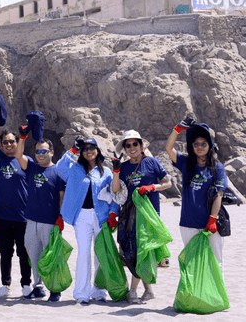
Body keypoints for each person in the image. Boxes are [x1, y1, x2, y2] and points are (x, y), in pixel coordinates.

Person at [56, 137, 120, 305]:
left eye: (92, 147)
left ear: (98, 151)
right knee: (83, 253)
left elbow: (114, 193)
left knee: (100, 253)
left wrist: (113, 213)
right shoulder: (75, 169)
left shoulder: (106, 172)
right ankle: (82, 294)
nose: (89, 150)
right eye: (85, 148)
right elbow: (59, 168)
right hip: (81, 217)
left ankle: (99, 291)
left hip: (101, 216)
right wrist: (72, 150)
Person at [111, 130, 171, 303]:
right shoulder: (123, 167)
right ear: (124, 149)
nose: (131, 148)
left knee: (142, 252)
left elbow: (168, 183)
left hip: (150, 216)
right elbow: (116, 190)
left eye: (134, 144)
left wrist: (152, 187)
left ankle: (133, 291)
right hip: (130, 216)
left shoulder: (151, 162)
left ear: (141, 145)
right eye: (127, 145)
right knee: (135, 252)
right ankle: (148, 291)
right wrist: (116, 171)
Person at [0, 112, 32, 298]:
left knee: (24, 253)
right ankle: (6, 285)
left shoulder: (26, 161)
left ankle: (26, 285)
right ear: (2, 145)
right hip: (2, 216)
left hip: (23, 217)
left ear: (18, 143)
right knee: (5, 253)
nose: (9, 145)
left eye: (12, 141)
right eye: (5, 142)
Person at [166, 117, 226, 272]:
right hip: (188, 223)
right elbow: (169, 148)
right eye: (196, 144)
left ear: (210, 145)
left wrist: (212, 219)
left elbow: (219, 195)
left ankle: (216, 297)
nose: (200, 147)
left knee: (215, 262)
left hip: (210, 224)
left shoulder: (217, 168)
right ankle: (195, 297)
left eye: (204, 144)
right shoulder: (186, 164)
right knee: (192, 264)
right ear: (191, 146)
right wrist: (177, 129)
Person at [15, 132, 65, 302]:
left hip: (50, 222)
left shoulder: (58, 171)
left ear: (51, 152)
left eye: (43, 151)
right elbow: (19, 155)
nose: (40, 155)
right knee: (33, 255)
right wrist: (22, 138)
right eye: (37, 152)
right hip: (31, 220)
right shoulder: (32, 167)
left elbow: (61, 197)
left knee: (50, 257)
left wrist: (61, 218)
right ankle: (38, 287)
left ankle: (54, 289)